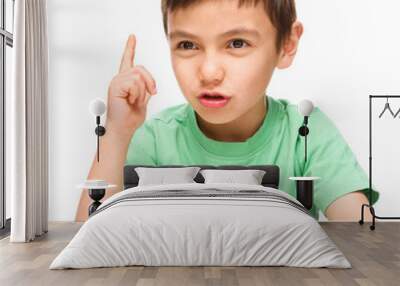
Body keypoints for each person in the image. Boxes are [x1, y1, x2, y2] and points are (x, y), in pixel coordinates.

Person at [75, 0, 379, 222]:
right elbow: (86, 239)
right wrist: (117, 132)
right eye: (187, 45)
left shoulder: (305, 132)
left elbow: (362, 238)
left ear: (286, 44)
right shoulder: (154, 138)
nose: (208, 73)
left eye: (236, 43)